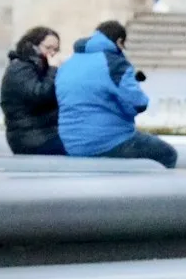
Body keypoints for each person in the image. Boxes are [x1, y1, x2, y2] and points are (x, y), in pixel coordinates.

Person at [56, 20, 178, 168]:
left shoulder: (69, 63)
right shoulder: (114, 63)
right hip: (106, 141)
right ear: (120, 41)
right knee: (168, 154)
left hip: (71, 142)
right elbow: (139, 103)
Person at [0, 26, 64, 156]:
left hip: (42, 133)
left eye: (56, 50)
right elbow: (40, 94)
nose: (52, 53)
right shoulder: (20, 68)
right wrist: (53, 70)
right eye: (48, 48)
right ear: (33, 46)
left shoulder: (39, 67)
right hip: (30, 138)